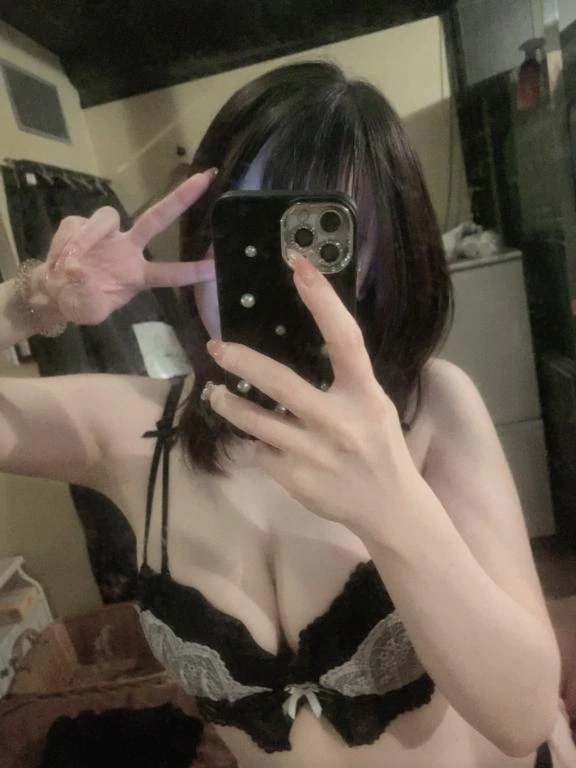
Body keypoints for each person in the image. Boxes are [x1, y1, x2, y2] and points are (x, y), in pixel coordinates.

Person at [1, 61, 574, 768]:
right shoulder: (133, 428)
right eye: (244, 226)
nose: (280, 270)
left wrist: (392, 507)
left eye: (317, 237)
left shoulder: (431, 405)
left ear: (375, 258)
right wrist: (31, 303)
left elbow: (522, 717)